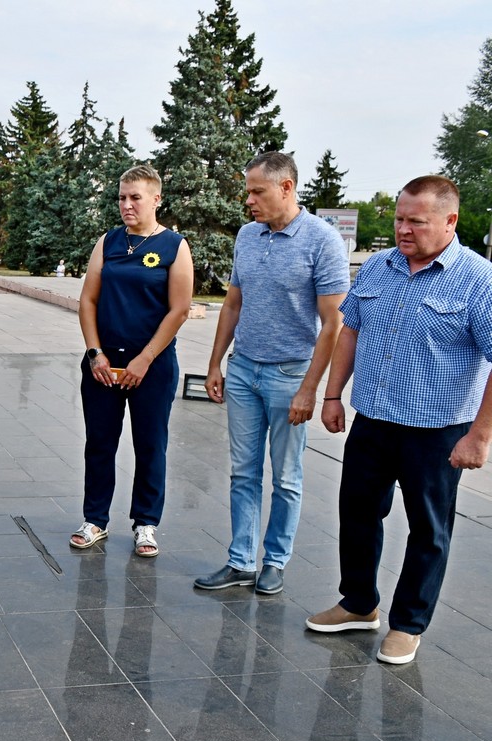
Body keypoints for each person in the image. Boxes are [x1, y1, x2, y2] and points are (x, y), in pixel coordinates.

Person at [306, 175, 492, 665]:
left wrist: (480, 435)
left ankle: (408, 624)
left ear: (450, 221)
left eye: (416, 221)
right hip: (374, 421)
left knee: (429, 529)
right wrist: (332, 394)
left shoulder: (478, 279)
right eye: (399, 218)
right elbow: (350, 330)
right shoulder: (379, 267)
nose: (403, 229)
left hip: (439, 430)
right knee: (358, 512)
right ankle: (359, 603)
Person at [194, 152, 350, 595]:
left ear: (286, 188)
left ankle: (275, 561)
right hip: (243, 369)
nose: (249, 200)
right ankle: (240, 560)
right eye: (248, 190)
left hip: (289, 375)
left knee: (286, 476)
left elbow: (333, 323)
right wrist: (215, 364)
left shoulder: (321, 240)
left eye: (257, 191)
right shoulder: (248, 235)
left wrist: (309, 389)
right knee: (243, 472)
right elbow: (233, 303)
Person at [70, 164, 194, 557]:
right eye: (122, 197)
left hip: (152, 368)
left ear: (156, 199)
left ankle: (145, 524)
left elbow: (179, 309)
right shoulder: (108, 242)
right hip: (103, 367)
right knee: (100, 444)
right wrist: (95, 353)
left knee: (150, 445)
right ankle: (95, 520)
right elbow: (88, 300)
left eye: (135, 197)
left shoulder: (174, 246)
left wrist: (145, 359)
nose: (126, 205)